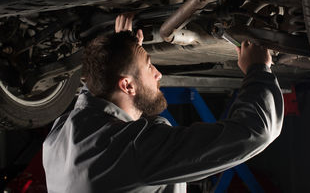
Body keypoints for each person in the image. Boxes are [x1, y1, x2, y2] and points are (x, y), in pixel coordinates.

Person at [42, 14, 284, 193]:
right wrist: (258, 71)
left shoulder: (61, 137)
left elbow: (97, 85)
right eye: (149, 66)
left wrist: (119, 50)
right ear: (127, 86)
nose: (158, 74)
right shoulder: (128, 152)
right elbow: (256, 131)